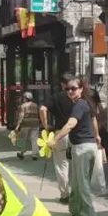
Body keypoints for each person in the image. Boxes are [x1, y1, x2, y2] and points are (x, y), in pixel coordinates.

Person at [55, 77, 101, 216]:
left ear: (81, 89)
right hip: (88, 146)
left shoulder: (79, 105)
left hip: (82, 148)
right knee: (76, 180)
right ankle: (75, 208)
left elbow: (70, 124)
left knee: (82, 183)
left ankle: (89, 215)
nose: (70, 91)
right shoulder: (86, 103)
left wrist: (55, 138)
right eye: (67, 89)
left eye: (73, 88)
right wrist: (97, 136)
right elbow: (93, 119)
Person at [39, 74, 75, 203]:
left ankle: (65, 195)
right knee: (77, 165)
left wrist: (46, 126)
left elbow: (42, 109)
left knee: (61, 165)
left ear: (62, 84)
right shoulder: (77, 97)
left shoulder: (56, 97)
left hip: (61, 134)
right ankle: (77, 193)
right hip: (77, 134)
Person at [14, 92, 41, 160]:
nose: (23, 99)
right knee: (34, 139)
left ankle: (22, 153)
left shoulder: (23, 106)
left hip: (26, 124)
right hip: (35, 124)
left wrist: (18, 125)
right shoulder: (35, 105)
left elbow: (21, 115)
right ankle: (34, 155)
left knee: (23, 138)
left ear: (26, 98)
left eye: (24, 98)